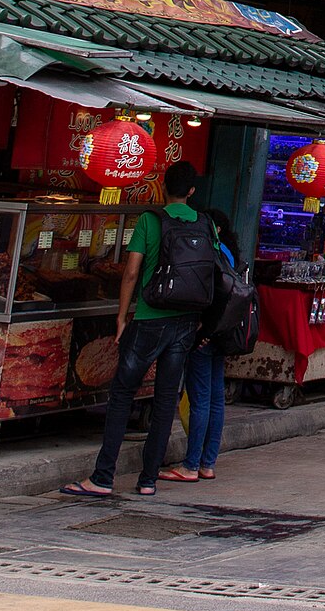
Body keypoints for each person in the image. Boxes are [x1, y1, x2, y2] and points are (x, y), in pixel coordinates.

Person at [61, 160, 218, 502]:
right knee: (164, 401)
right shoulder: (206, 224)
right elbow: (214, 273)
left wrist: (121, 316)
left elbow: (131, 273)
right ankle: (148, 480)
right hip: (186, 322)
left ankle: (103, 477)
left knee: (121, 396)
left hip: (148, 319)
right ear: (192, 191)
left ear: (164, 187)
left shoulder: (150, 220)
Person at [162, 201, 240, 483]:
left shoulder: (212, 253)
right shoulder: (229, 254)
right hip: (222, 334)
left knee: (201, 399)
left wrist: (203, 330)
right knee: (215, 398)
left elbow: (208, 295)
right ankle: (208, 463)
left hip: (206, 335)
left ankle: (191, 464)